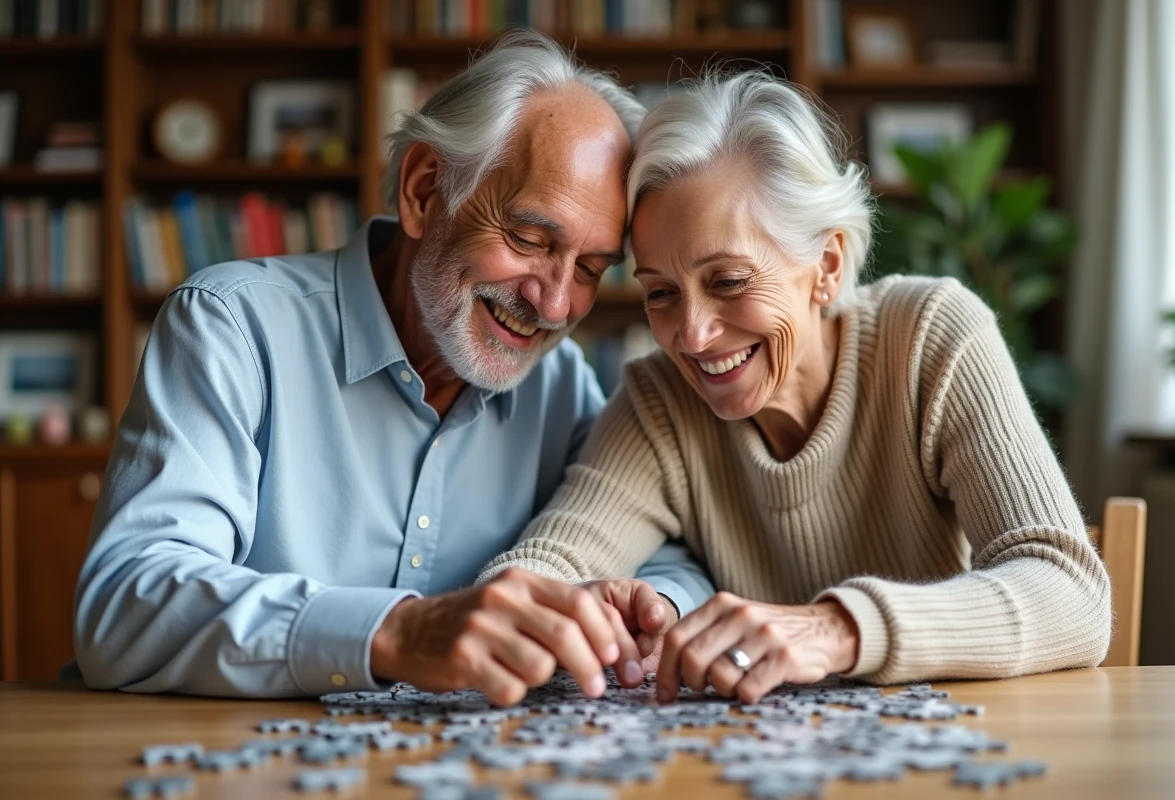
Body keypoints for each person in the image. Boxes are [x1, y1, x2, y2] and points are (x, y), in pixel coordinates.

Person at [71, 32, 714, 702]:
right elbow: (125, 604)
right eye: (528, 239)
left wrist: (650, 606)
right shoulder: (232, 326)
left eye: (588, 269)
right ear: (424, 189)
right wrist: (398, 632)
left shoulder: (562, 387)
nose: (553, 303)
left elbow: (670, 558)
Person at [479, 70, 1113, 703]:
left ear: (827, 266)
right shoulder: (660, 399)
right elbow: (548, 565)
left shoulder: (930, 339)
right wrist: (565, 609)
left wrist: (836, 628)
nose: (692, 337)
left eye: (728, 281)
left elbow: (1072, 594)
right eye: (661, 293)